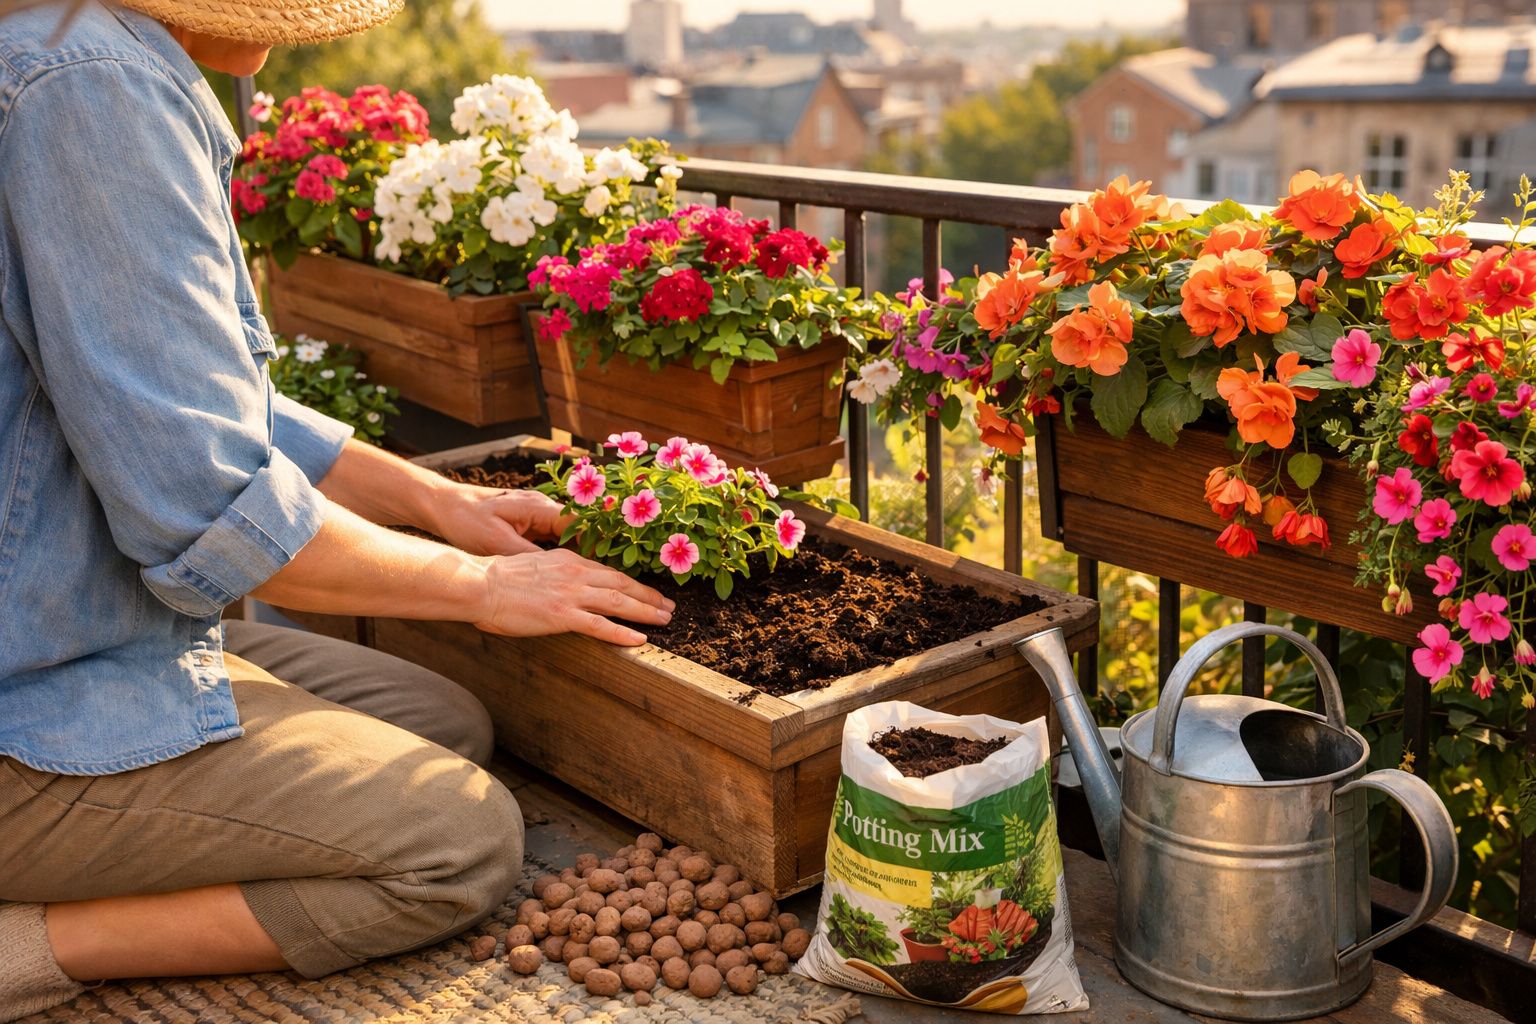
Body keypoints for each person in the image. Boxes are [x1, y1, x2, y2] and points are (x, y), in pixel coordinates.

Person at [0, 0, 674, 1018]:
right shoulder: (92, 85)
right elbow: (206, 504)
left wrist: (434, 497)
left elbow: (199, 393)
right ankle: (32, 942)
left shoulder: (72, 58)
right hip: (31, 698)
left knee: (440, 722)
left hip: (84, 631)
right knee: (459, 839)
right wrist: (482, 585)